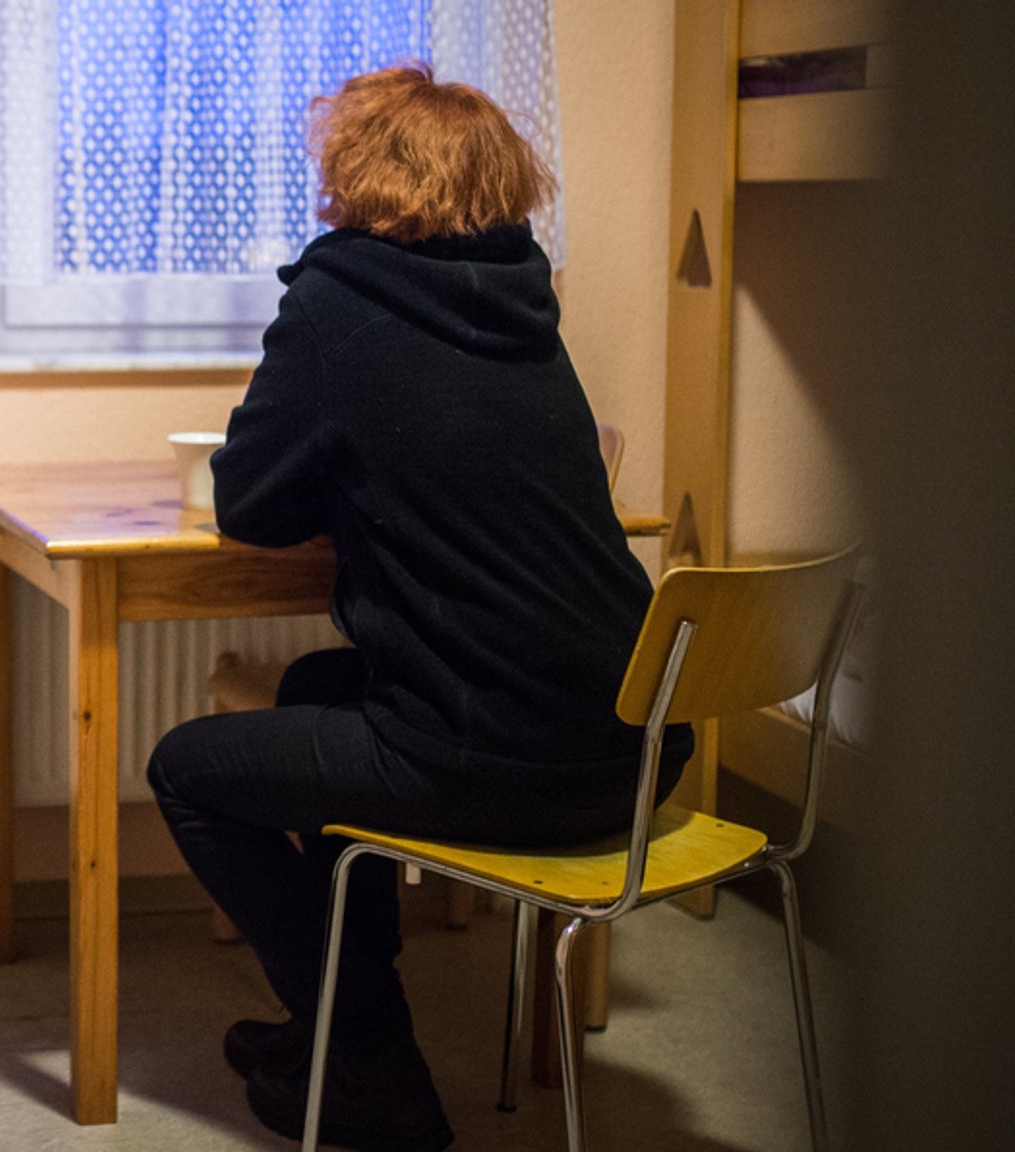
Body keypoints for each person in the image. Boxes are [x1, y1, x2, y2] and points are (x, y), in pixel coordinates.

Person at [145, 63, 693, 1151]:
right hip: (632, 745)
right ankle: (330, 1033)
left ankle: (370, 1063)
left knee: (188, 771)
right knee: (310, 687)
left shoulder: (339, 302)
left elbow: (250, 504)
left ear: (361, 177)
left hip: (491, 756)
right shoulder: (524, 300)